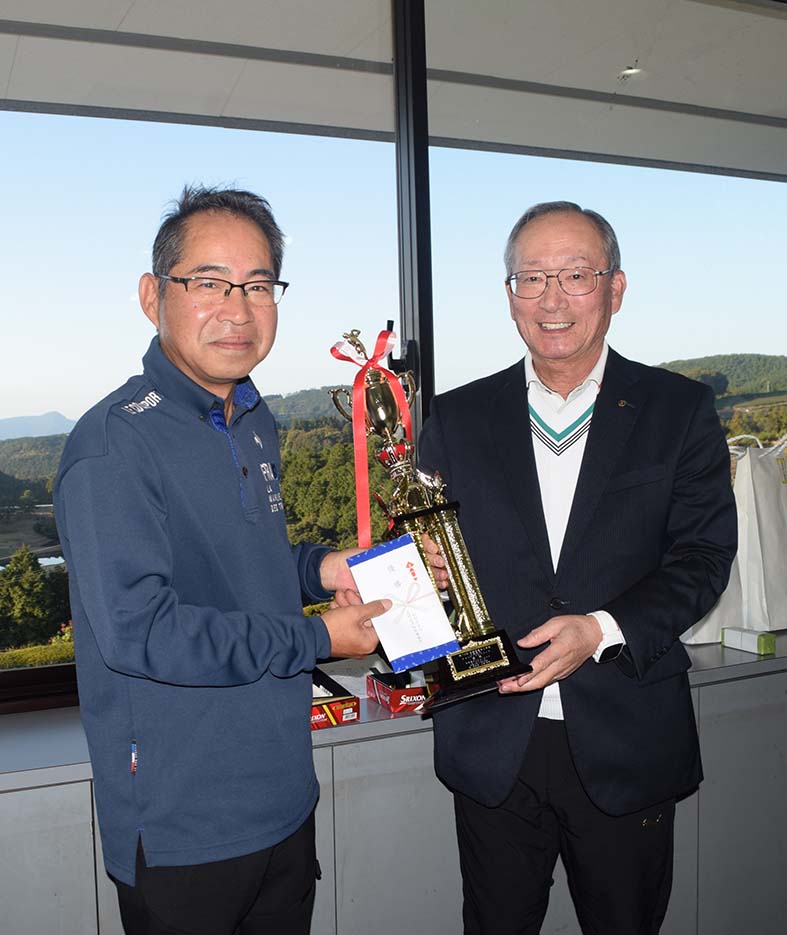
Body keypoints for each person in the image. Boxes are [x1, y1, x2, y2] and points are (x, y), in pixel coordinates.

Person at [55, 186, 397, 935]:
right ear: (153, 296)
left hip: (282, 796)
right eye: (209, 283)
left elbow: (243, 563)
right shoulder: (114, 446)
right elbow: (143, 631)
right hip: (184, 823)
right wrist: (318, 637)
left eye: (258, 285)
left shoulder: (252, 416)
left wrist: (321, 568)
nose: (238, 310)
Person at [418, 201, 737, 935]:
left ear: (614, 288)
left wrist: (600, 628)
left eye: (575, 275)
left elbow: (702, 557)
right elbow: (433, 566)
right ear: (509, 295)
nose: (551, 298)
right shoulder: (457, 417)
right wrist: (421, 578)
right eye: (531, 277)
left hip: (626, 735)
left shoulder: (678, 409)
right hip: (494, 738)